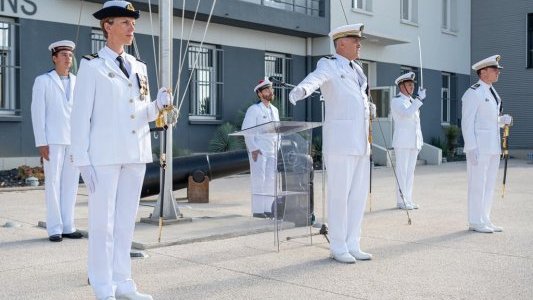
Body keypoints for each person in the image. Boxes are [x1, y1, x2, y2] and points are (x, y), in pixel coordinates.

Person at [70, 1, 171, 299]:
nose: (132, 28)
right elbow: (80, 116)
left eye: (133, 23)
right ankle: (103, 286)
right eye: (125, 23)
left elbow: (142, 112)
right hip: (103, 156)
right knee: (103, 224)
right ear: (107, 25)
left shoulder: (139, 67)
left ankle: (124, 283)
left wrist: (159, 105)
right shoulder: (91, 65)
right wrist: (81, 159)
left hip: (135, 153)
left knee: (126, 222)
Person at [288, 24, 375, 264]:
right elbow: (316, 79)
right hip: (340, 143)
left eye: (359, 41)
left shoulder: (358, 70)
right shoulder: (329, 64)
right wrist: (302, 89)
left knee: (358, 197)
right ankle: (338, 246)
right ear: (341, 43)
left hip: (360, 143)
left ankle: (353, 242)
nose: (359, 44)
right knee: (339, 196)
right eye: (354, 40)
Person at [31, 40, 82, 243]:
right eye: (64, 55)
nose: (68, 58)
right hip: (52, 140)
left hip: (74, 140)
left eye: (70, 55)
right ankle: (54, 228)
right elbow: (37, 113)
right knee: (53, 183)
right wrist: (41, 142)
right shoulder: (43, 81)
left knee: (71, 184)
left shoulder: (79, 82)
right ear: (54, 58)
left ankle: (68, 225)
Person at [461, 54, 512, 234]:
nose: (498, 72)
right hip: (479, 148)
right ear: (483, 72)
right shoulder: (473, 93)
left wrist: (501, 120)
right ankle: (475, 220)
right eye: (494, 69)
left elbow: (488, 120)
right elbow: (467, 122)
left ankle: (485, 218)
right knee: (477, 183)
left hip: (493, 146)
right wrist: (471, 147)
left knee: (489, 184)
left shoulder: (492, 92)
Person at [241, 78, 280, 218]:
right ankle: (258, 210)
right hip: (259, 151)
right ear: (259, 93)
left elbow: (278, 130)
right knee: (259, 180)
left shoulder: (275, 110)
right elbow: (247, 130)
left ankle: (269, 208)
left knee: (271, 180)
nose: (270, 91)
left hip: (272, 150)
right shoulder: (254, 110)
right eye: (266, 90)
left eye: (271, 89)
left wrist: (278, 147)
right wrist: (253, 149)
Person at [390, 72, 427, 210]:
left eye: (412, 85)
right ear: (401, 86)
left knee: (410, 172)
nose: (412, 87)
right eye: (409, 85)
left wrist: (420, 141)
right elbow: (406, 113)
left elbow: (416, 124)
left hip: (413, 142)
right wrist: (419, 100)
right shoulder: (397, 101)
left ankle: (408, 199)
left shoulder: (412, 101)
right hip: (402, 142)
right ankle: (401, 201)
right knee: (402, 171)